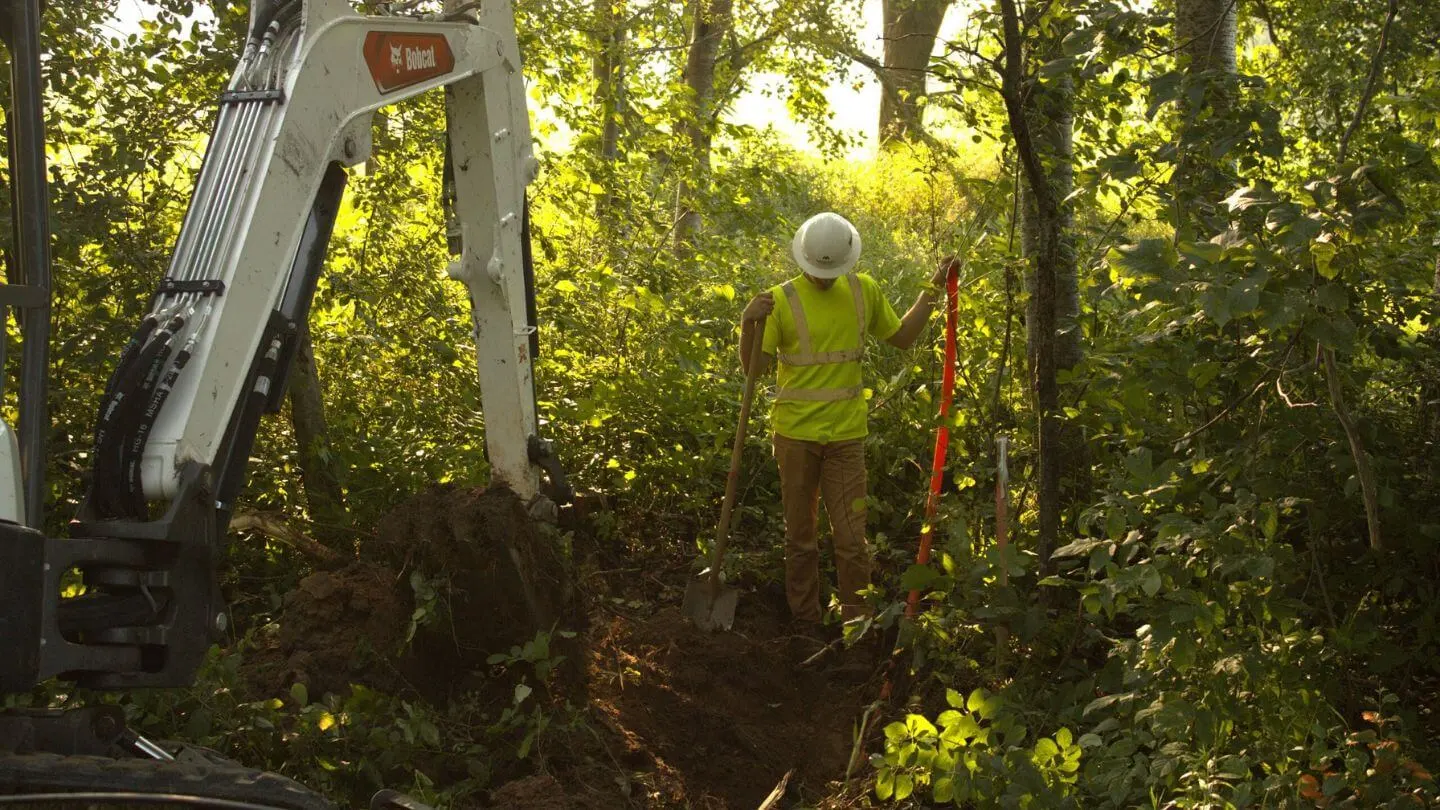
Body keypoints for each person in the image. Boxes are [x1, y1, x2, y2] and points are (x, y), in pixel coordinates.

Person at [739, 211, 954, 627]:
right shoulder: (779, 300)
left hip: (846, 438)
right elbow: (755, 370)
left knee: (852, 541)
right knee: (800, 539)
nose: (824, 278)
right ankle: (805, 623)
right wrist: (749, 322)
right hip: (795, 437)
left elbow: (903, 337)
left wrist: (935, 285)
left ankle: (857, 625)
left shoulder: (863, 291)